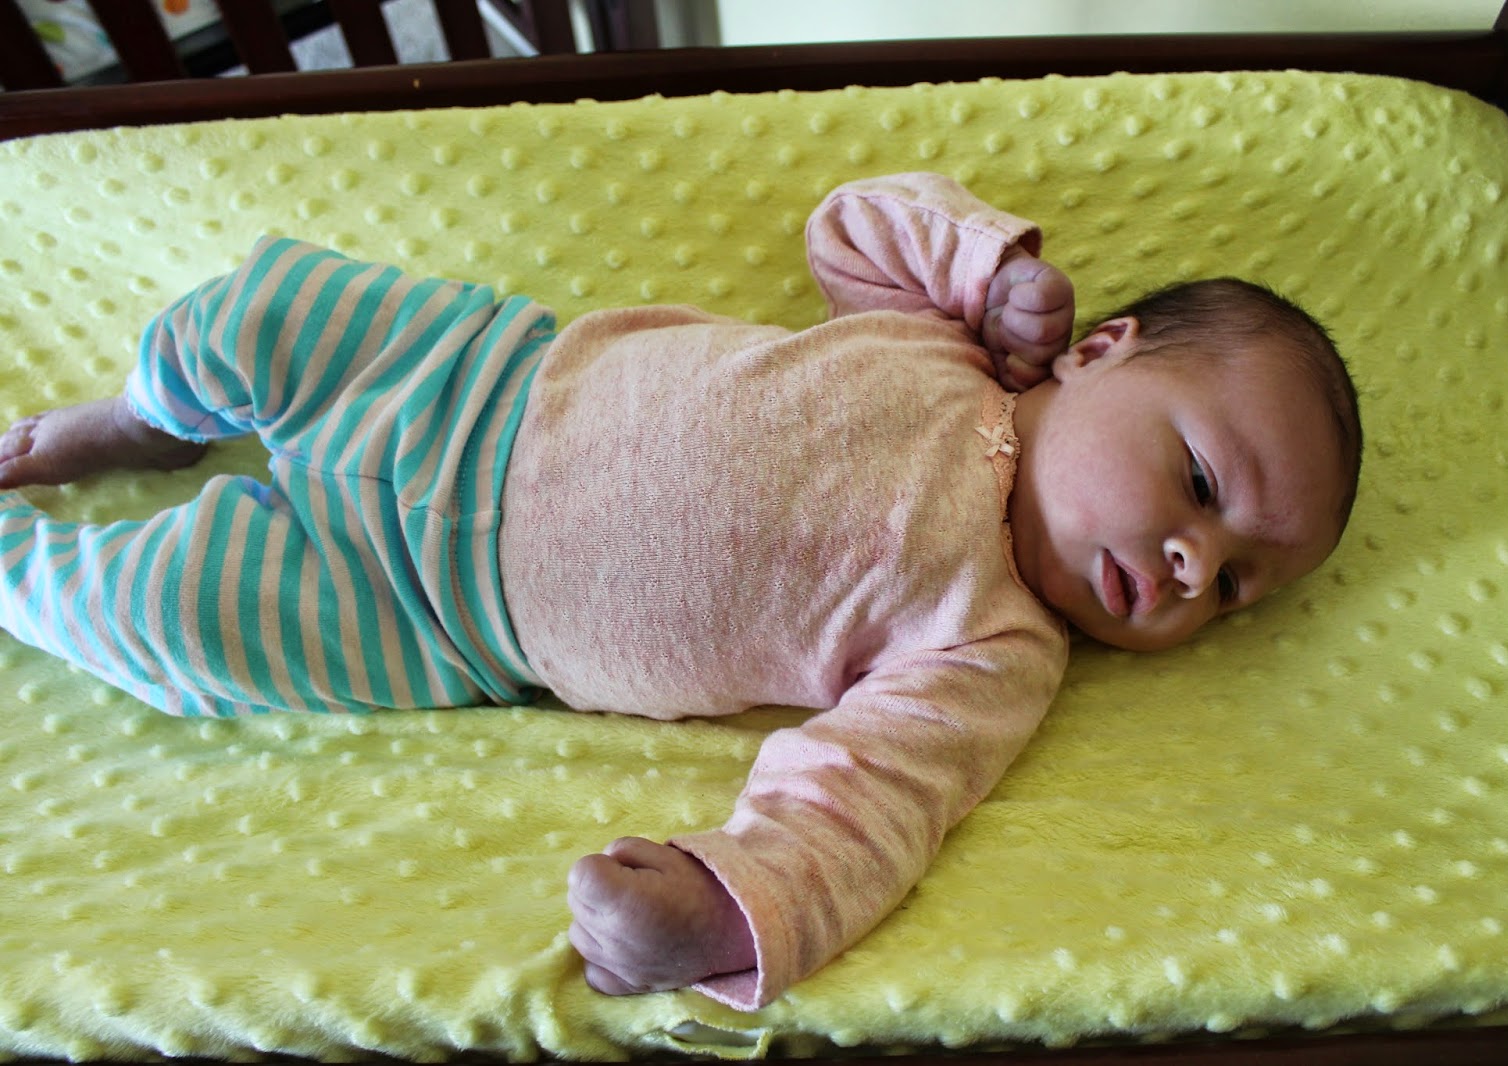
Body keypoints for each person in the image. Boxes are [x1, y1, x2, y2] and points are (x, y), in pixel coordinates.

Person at [0, 172, 1361, 1010]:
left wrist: (726, 907)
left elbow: (873, 804)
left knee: (159, 620)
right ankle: (140, 419)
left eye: (1235, 586)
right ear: (1102, 349)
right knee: (252, 314)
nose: (1193, 567)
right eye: (1199, 482)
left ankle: (18, 567)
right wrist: (986, 270)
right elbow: (853, 227)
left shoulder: (994, 645)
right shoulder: (948, 348)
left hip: (426, 612)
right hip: (467, 376)